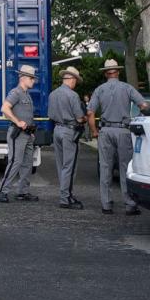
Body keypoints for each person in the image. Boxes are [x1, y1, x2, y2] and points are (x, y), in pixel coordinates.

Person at [86, 59, 150, 215]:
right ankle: (129, 204)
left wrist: (94, 131)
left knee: (105, 167)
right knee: (125, 168)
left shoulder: (99, 90)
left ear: (105, 73)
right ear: (118, 72)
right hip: (123, 131)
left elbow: (90, 112)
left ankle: (106, 204)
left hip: (106, 131)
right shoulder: (127, 88)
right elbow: (144, 106)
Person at [0, 65, 39, 203]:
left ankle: (22, 192)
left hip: (27, 134)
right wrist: (18, 122)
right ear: (23, 78)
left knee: (27, 164)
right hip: (17, 133)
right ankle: (2, 191)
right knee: (15, 162)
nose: (34, 81)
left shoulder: (26, 94)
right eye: (32, 78)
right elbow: (4, 108)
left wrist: (30, 132)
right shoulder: (16, 92)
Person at [48, 66, 85, 210]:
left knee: (61, 165)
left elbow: (50, 114)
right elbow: (79, 118)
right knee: (70, 165)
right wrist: (84, 117)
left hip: (57, 129)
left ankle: (66, 193)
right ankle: (66, 198)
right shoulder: (72, 95)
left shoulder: (53, 94)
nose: (75, 83)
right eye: (75, 80)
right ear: (71, 79)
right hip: (70, 131)